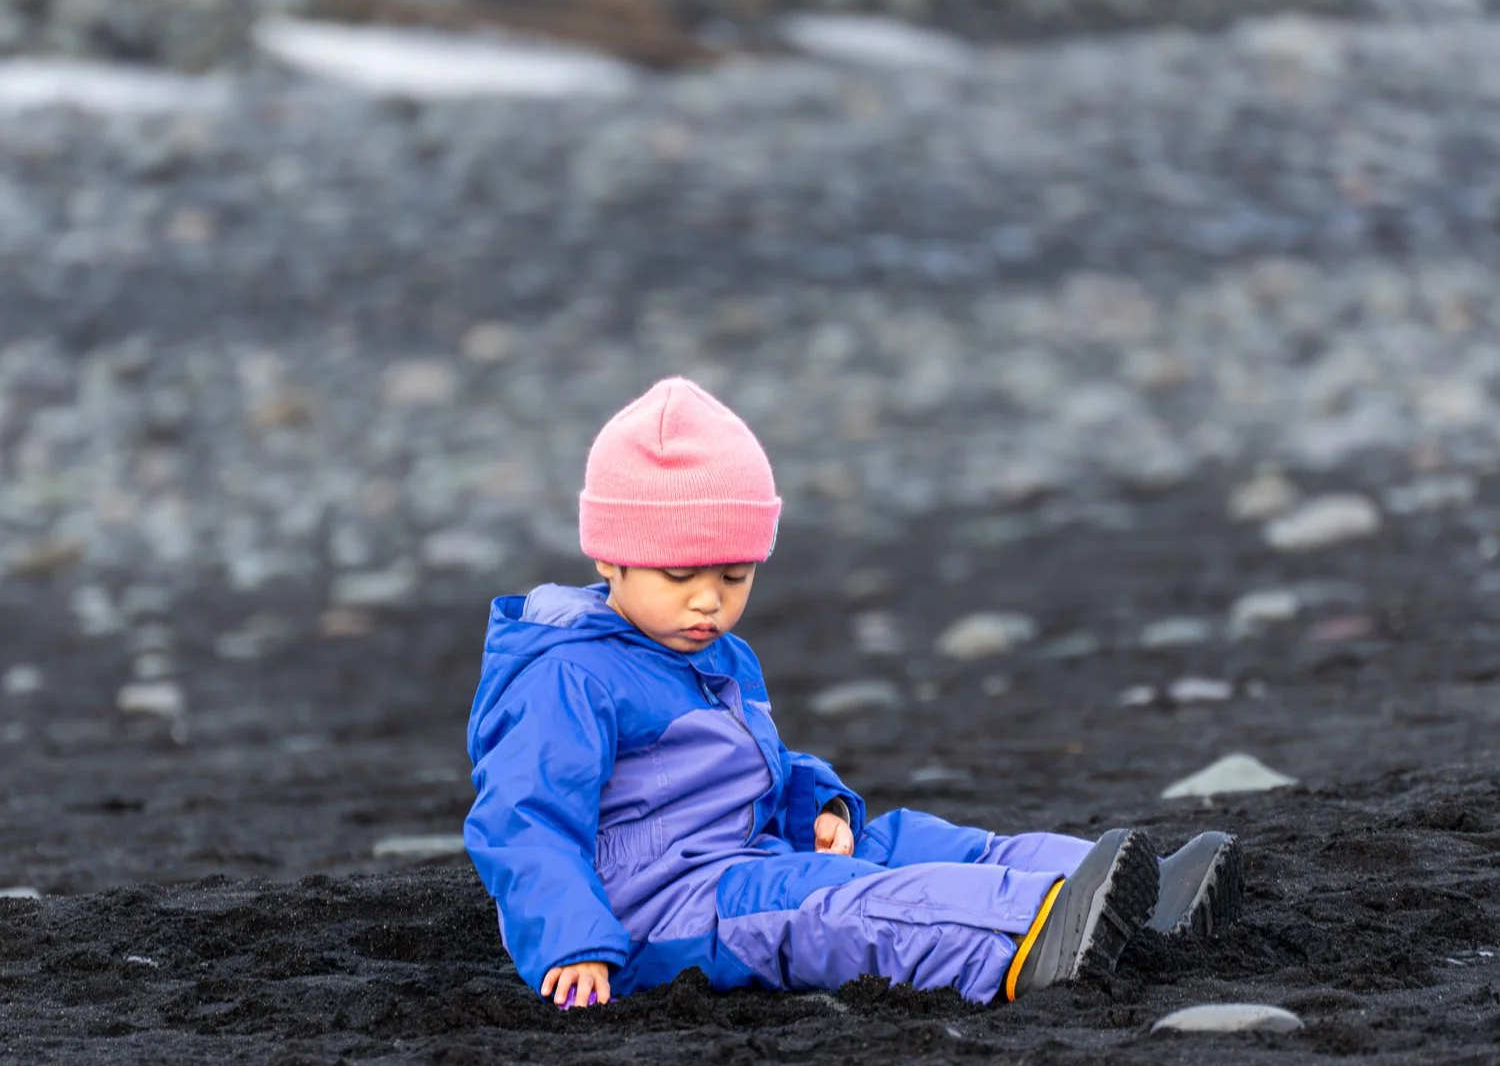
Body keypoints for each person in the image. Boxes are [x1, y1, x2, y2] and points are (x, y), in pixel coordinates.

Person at [465, 378, 1241, 1009]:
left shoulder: (715, 654)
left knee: (911, 842)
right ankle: (1027, 937)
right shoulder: (566, 674)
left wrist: (819, 806)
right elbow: (523, 818)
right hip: (656, 915)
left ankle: (1131, 897)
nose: (710, 602)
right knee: (837, 905)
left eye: (734, 578)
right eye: (681, 578)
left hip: (743, 852)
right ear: (612, 559)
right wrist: (573, 944)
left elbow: (751, 769)